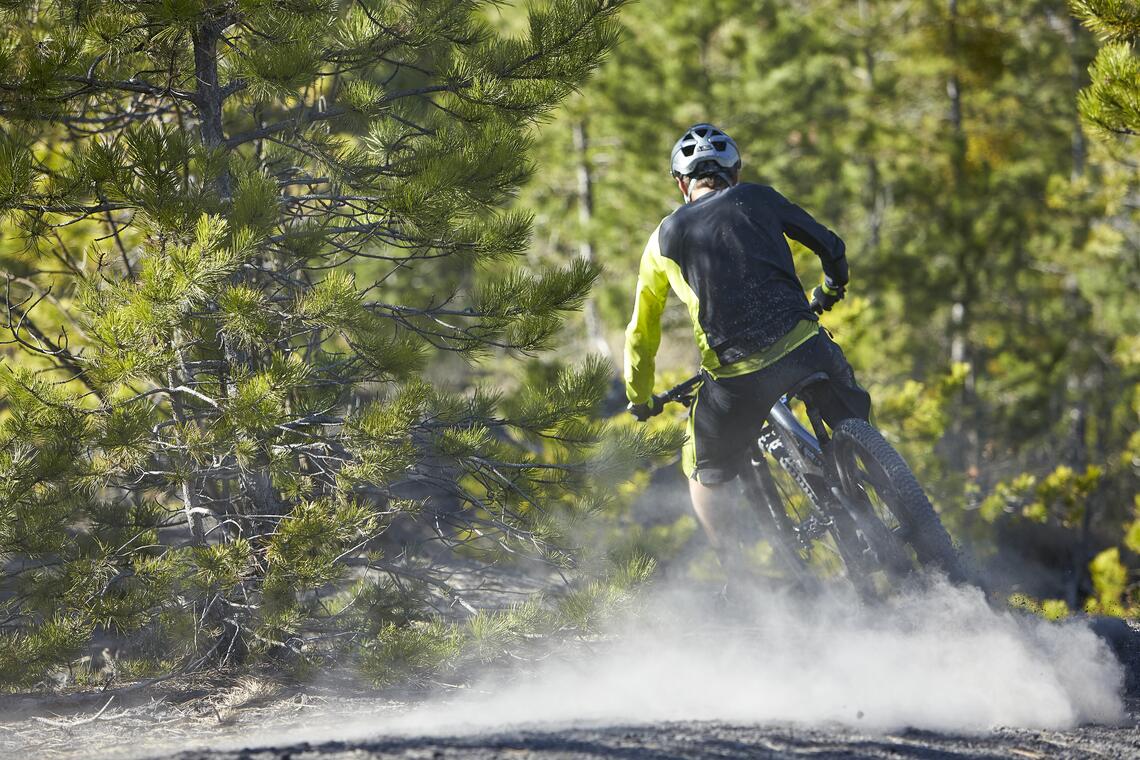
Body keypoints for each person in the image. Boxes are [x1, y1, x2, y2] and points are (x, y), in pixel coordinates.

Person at [624, 123, 872, 565]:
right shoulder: (758, 197)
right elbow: (830, 245)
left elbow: (642, 334)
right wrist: (832, 287)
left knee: (703, 472)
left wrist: (639, 398)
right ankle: (883, 487)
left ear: (683, 183)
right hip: (805, 346)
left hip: (736, 377)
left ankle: (736, 573)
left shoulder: (662, 240)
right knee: (852, 414)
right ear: (733, 175)